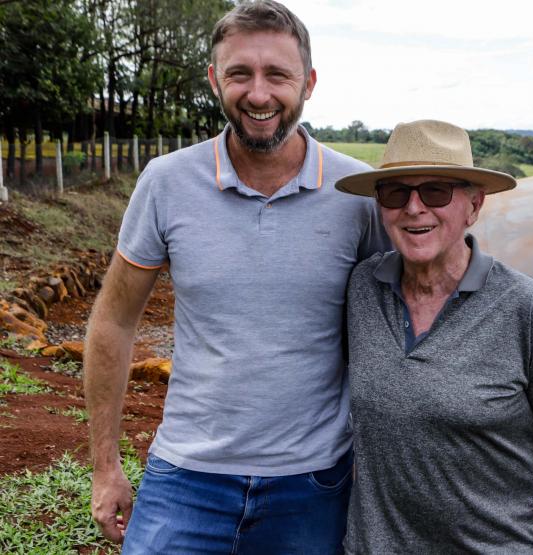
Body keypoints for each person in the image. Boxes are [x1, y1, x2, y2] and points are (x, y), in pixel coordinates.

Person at [83, 1, 387, 552]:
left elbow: (397, 326)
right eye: (239, 73)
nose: (259, 94)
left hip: (315, 483)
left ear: (310, 83)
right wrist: (106, 466)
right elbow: (114, 321)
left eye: (278, 74)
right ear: (214, 80)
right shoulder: (167, 182)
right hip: (186, 477)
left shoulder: (358, 193)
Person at [335, 119, 533, 554]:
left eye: (436, 191)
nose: (414, 208)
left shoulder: (528, 308)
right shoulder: (362, 288)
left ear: (473, 206)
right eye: (396, 192)